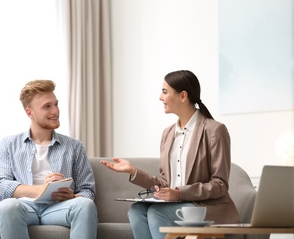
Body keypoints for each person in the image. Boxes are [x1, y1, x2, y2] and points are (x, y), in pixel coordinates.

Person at [101, 70, 239, 239]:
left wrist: (180, 193)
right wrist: (133, 171)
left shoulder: (214, 130)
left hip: (207, 208)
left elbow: (219, 185)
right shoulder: (168, 134)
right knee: (137, 211)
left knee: (157, 213)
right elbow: (166, 183)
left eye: (165, 92)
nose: (160, 97)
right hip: (176, 205)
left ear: (183, 96)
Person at [0, 79, 98, 239]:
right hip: (23, 207)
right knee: (7, 206)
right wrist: (43, 190)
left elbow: (87, 190)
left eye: (56, 104)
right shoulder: (8, 144)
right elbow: (0, 186)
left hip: (59, 208)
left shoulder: (74, 146)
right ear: (30, 113)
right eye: (47, 106)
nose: (55, 111)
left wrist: (71, 196)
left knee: (85, 205)